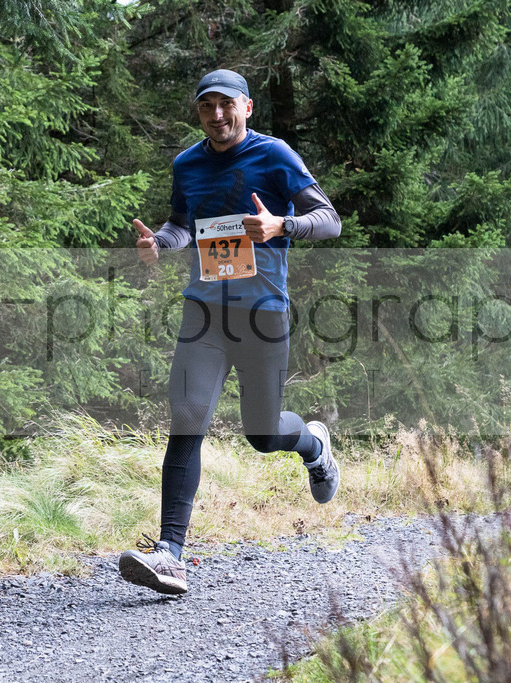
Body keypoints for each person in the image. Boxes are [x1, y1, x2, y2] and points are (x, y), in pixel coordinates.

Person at [118, 69, 342, 595]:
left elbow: (330, 219)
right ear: (198, 113)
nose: (216, 115)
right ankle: (170, 552)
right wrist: (161, 245)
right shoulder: (187, 164)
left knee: (262, 434)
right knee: (189, 415)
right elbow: (180, 224)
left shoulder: (276, 155)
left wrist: (281, 226)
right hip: (205, 313)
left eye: (225, 105)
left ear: (245, 108)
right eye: (205, 107)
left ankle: (313, 446)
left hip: (263, 315)